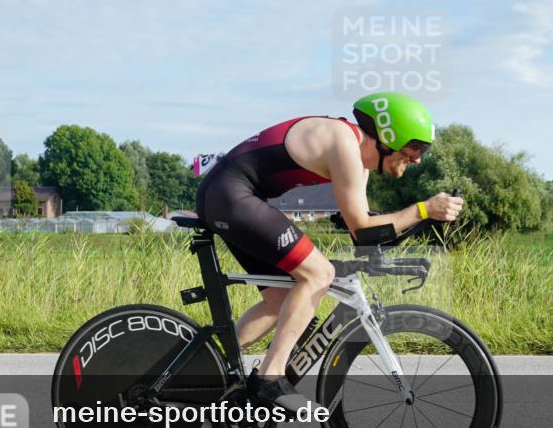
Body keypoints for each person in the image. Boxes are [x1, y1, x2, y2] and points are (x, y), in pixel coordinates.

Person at [194, 92, 464, 410]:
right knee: (319, 273)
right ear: (389, 136)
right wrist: (422, 210)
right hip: (231, 195)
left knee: (280, 300)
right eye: (416, 147)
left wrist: (398, 246)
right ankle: (269, 376)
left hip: (229, 195)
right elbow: (363, 228)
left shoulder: (358, 161)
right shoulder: (344, 145)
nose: (418, 158)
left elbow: (361, 235)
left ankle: (199, 369)